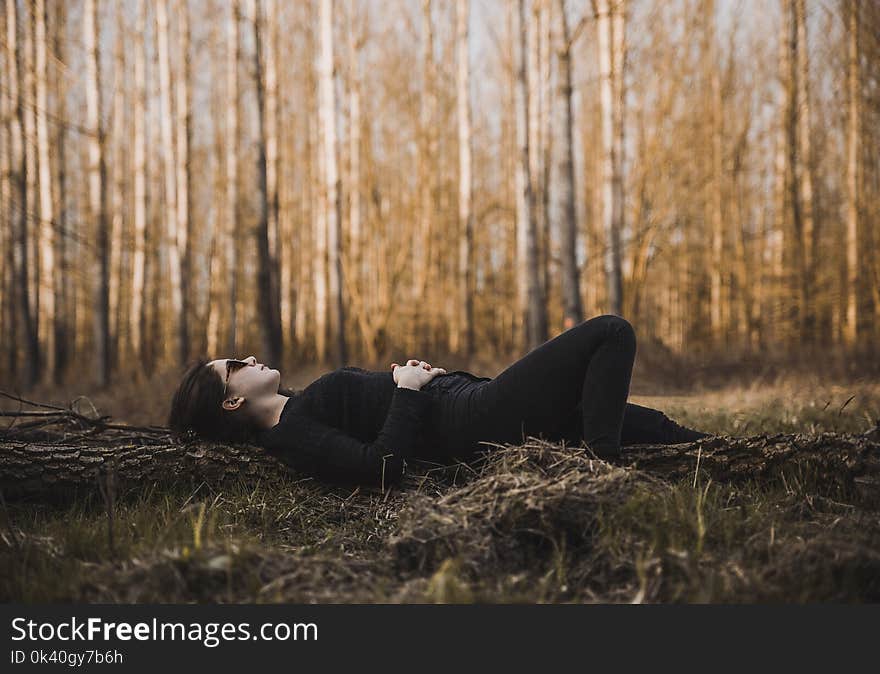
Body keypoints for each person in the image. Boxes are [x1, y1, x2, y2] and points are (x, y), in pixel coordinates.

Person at [168, 314, 711, 487]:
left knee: (649, 424)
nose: (248, 358)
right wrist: (408, 390)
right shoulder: (292, 435)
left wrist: (420, 380)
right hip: (476, 418)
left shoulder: (299, 404)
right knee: (611, 332)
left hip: (466, 398)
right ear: (231, 403)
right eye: (235, 367)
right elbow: (381, 466)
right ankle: (604, 471)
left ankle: (725, 451)